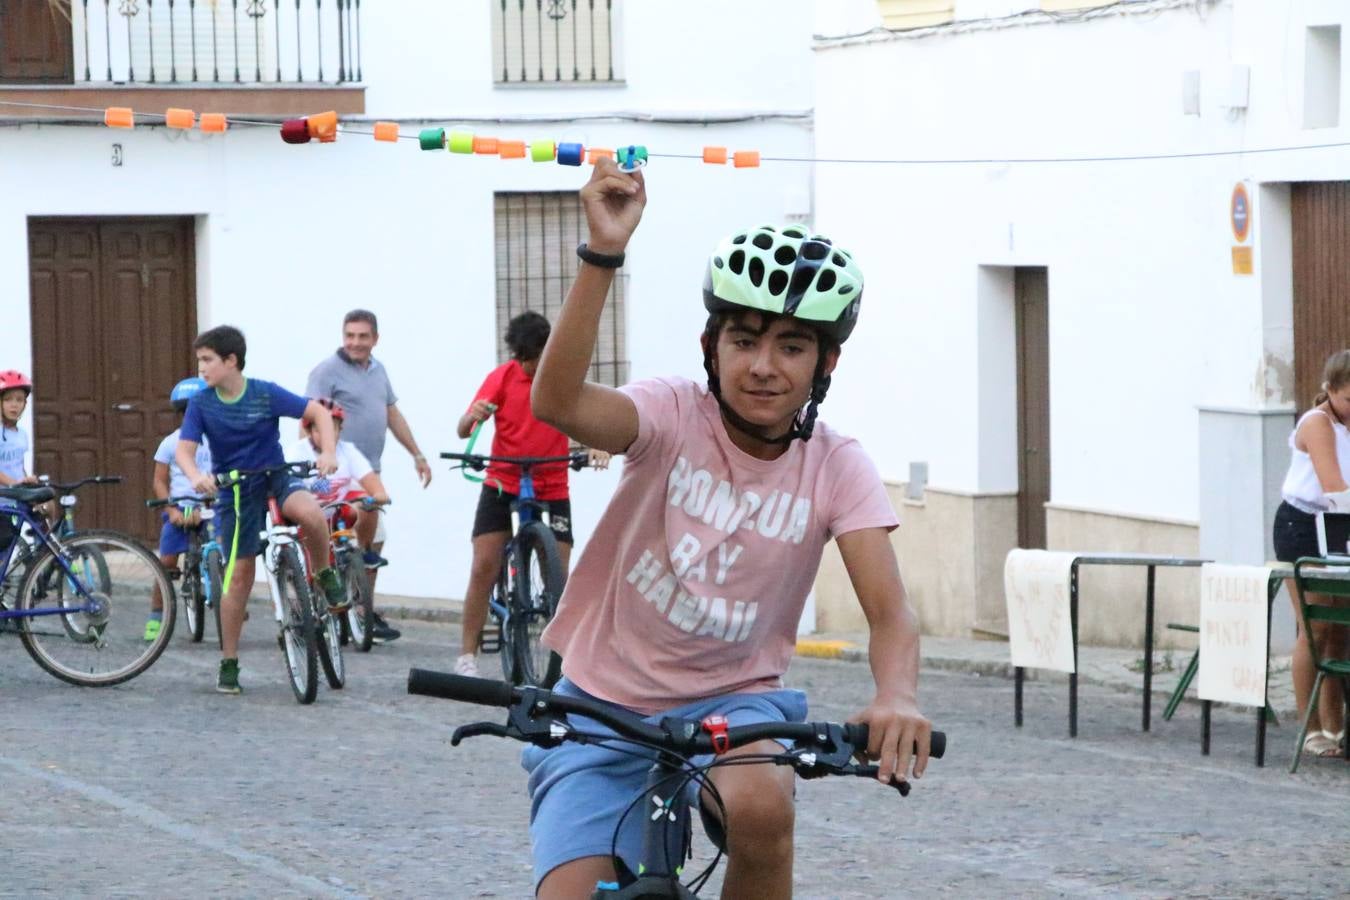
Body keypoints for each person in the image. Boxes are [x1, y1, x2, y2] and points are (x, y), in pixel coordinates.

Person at [521, 158, 931, 898]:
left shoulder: (837, 466)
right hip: (598, 704)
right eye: (744, 340)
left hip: (733, 706)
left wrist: (895, 693)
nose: (764, 367)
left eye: (792, 346)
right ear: (712, 346)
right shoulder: (671, 414)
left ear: (825, 362)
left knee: (762, 803)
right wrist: (603, 254)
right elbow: (557, 402)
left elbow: (891, 613)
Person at [176, 325, 342, 695]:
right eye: (200, 360)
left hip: (275, 476)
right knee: (240, 576)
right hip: (235, 489)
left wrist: (328, 452)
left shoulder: (263, 393)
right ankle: (230, 662)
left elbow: (318, 412)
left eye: (208, 360)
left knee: (312, 514)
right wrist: (195, 476)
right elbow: (184, 451)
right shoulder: (202, 404)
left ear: (231, 361)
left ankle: (325, 573)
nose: (201, 368)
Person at [453, 311, 610, 678]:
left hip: (551, 479)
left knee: (559, 570)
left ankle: (565, 655)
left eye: (532, 358)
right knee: (483, 565)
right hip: (503, 479)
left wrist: (597, 445)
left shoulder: (561, 378)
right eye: (521, 359)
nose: (526, 366)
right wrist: (472, 415)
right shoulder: (502, 377)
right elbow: (464, 429)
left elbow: (586, 415)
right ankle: (466, 654)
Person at [306, 310, 432, 592]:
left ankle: (362, 608)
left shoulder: (378, 369)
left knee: (372, 541)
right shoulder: (326, 371)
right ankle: (333, 606)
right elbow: (308, 418)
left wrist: (417, 454)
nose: (355, 342)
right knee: (343, 540)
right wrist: (314, 458)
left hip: (368, 470)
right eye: (349, 336)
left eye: (363, 336)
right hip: (338, 471)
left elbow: (391, 413)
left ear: (375, 339)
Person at [1274, 348, 1350, 760]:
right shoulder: (1317, 423)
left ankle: (1336, 725)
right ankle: (1311, 727)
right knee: (1316, 625)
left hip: (1341, 525)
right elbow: (1334, 485)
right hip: (1303, 525)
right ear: (1331, 390)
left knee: (1343, 628)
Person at [287, 399, 399, 642]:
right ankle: (305, 608)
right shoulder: (297, 452)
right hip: (310, 515)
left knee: (367, 503)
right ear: (309, 430)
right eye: (320, 428)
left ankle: (363, 551)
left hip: (339, 514)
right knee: (309, 564)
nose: (329, 433)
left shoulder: (347, 451)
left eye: (334, 428)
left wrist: (379, 495)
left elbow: (370, 481)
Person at [148, 377, 215, 642]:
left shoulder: (218, 440)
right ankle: (156, 613)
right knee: (166, 561)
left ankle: (232, 599)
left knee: (230, 552)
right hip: (181, 506)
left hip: (212, 506)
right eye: (186, 412)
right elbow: (159, 481)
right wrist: (172, 509)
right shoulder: (170, 443)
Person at [0, 370, 36, 557]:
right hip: (2, 497)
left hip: (15, 496)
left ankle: (42, 557)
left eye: (19, 400)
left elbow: (18, 465)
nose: (14, 405)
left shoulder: (22, 435)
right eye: (8, 400)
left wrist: (26, 480)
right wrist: (13, 484)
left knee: (47, 507)